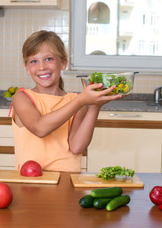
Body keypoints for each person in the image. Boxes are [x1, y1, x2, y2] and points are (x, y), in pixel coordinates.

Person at [10, 30, 125, 172]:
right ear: (27, 68)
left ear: (63, 63)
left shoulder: (76, 100)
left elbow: (76, 147)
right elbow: (40, 128)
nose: (42, 67)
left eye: (48, 59)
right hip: (31, 181)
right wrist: (80, 101)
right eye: (34, 61)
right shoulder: (22, 97)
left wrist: (95, 106)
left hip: (67, 179)